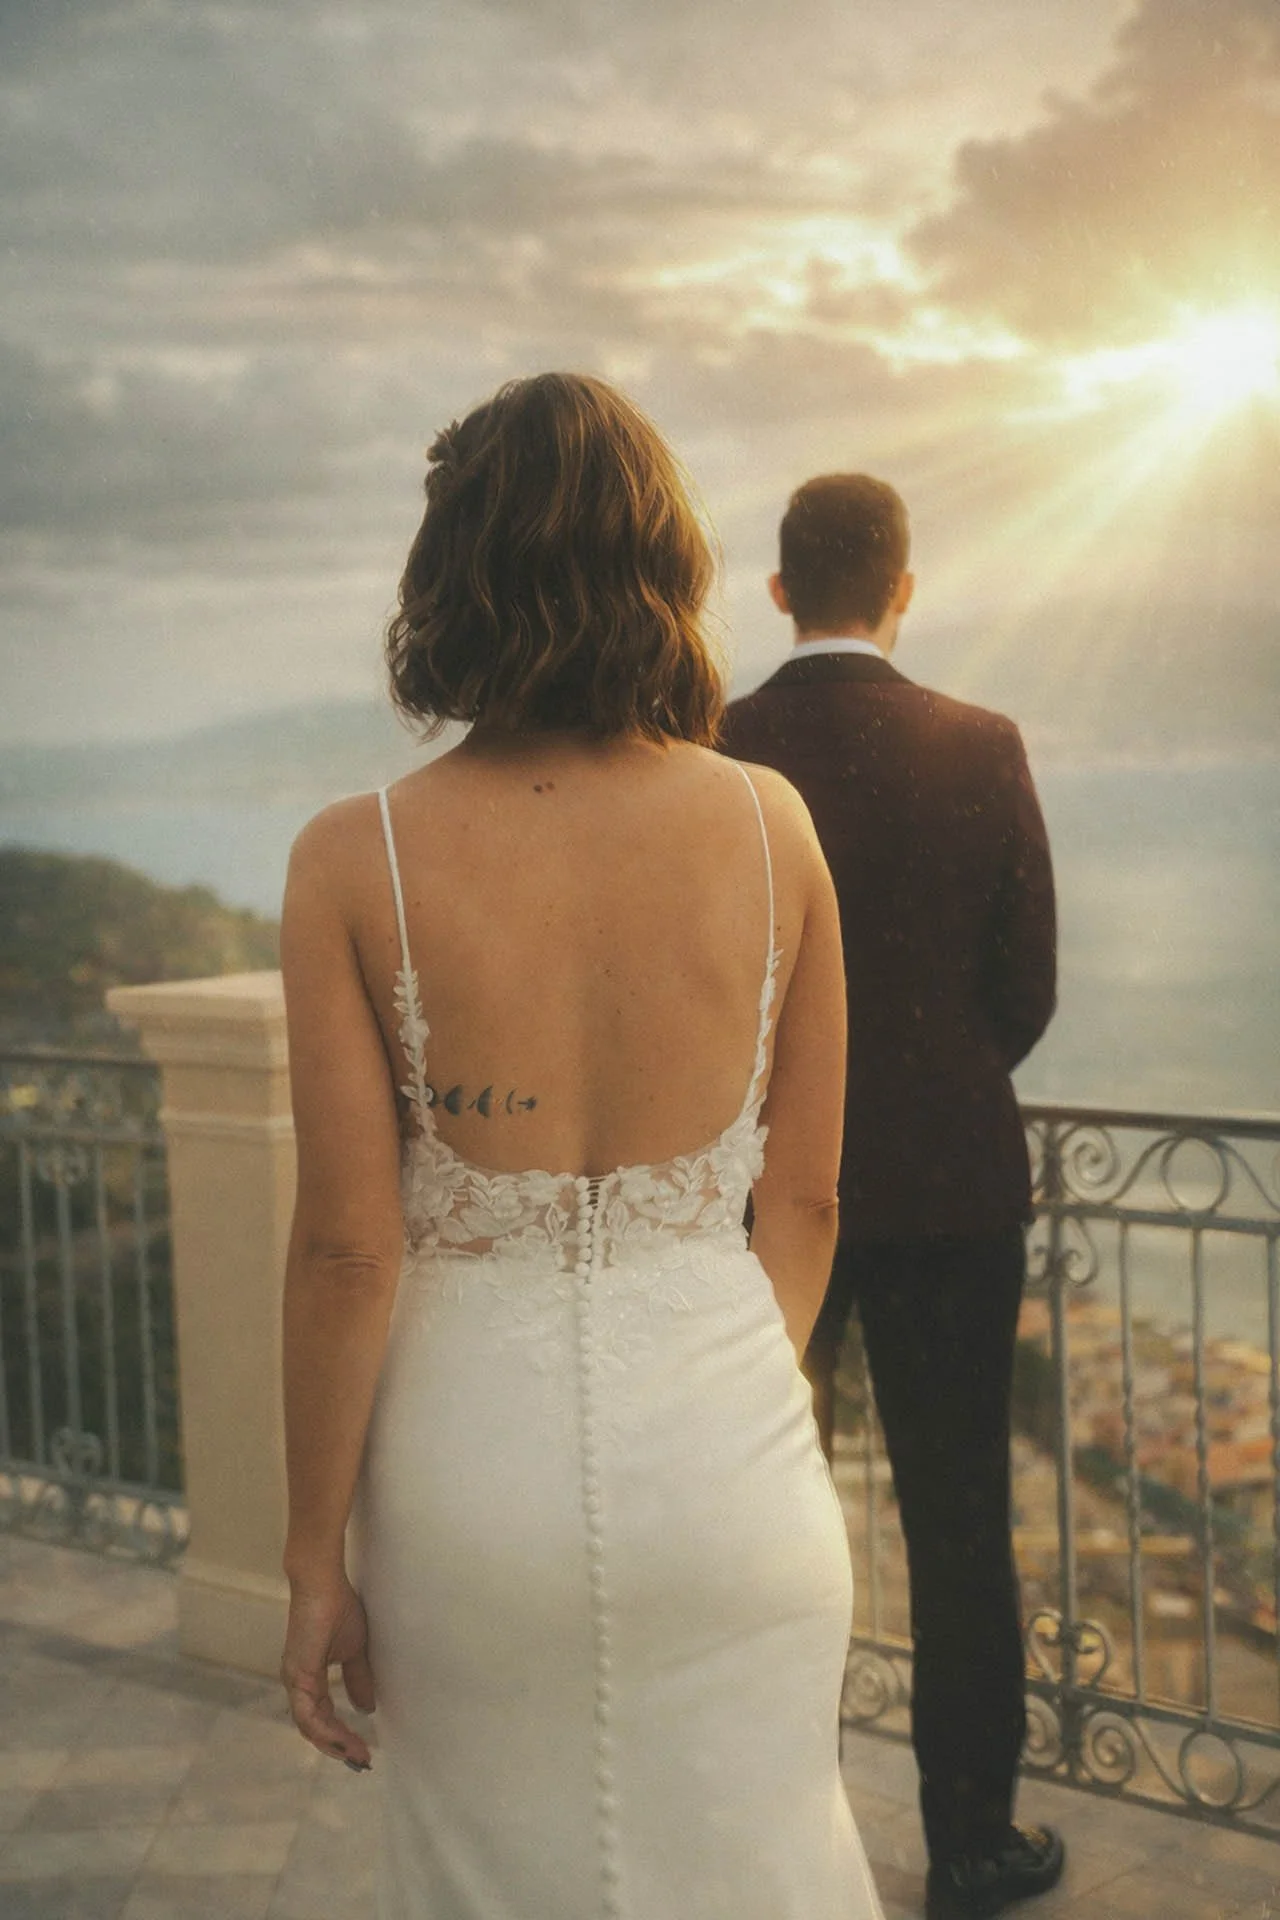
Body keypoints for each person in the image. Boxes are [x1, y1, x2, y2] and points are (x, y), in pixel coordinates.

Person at [277, 376, 886, 1919]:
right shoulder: (772, 825)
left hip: (466, 1483)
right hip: (731, 1459)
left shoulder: (358, 856)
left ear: (446, 577)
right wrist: (723, 1367)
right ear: (665, 570)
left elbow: (351, 1249)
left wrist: (307, 1558)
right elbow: (805, 1196)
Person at [720, 473, 1061, 1920]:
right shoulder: (980, 743)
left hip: (757, 1203)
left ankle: (756, 1829)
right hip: (952, 1191)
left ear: (781, 590)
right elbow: (1025, 991)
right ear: (903, 588)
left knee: (749, 1511)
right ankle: (971, 1844)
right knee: (960, 1523)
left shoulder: (715, 751)